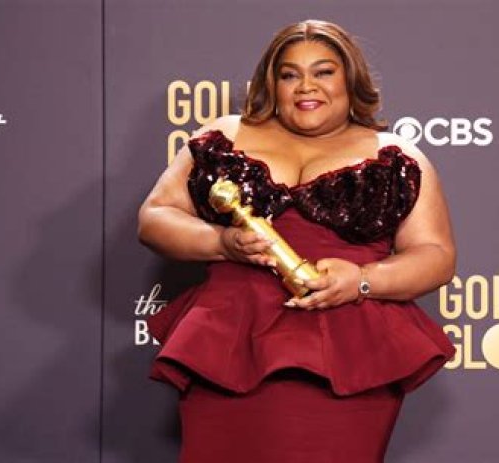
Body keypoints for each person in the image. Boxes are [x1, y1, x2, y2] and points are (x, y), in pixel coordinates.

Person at [138, 19, 457, 463]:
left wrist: (361, 280)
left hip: (349, 350)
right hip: (229, 340)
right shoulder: (226, 136)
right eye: (290, 74)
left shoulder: (396, 156)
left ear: (349, 80)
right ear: (272, 84)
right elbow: (154, 218)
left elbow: (436, 255)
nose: (307, 86)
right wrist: (222, 242)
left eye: (323, 72)